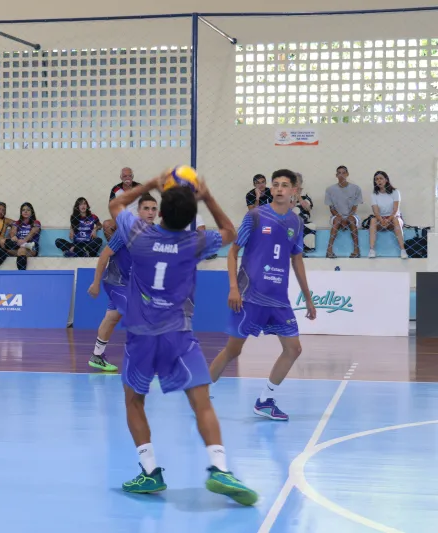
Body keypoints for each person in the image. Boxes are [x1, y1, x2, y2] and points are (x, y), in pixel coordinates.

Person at [108, 172, 257, 505]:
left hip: (141, 337)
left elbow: (116, 203)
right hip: (179, 335)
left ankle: (149, 472)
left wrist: (148, 185)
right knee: (200, 402)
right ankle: (219, 467)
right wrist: (206, 196)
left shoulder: (138, 235)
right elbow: (231, 232)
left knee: (134, 400)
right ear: (192, 219)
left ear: (159, 213)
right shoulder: (196, 243)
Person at [209, 169, 317, 421]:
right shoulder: (255, 216)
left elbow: (297, 261)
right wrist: (234, 288)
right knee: (233, 350)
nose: (279, 188)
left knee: (294, 349)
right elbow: (233, 252)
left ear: (294, 191)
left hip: (279, 299)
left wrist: (308, 297)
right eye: (275, 184)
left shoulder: (296, 222)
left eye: (284, 185)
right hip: (250, 296)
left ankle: (265, 400)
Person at [86, 193, 158, 372]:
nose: (150, 212)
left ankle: (97, 355)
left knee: (111, 318)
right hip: (117, 283)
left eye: (153, 209)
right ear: (139, 211)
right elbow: (104, 256)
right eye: (146, 209)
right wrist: (95, 283)